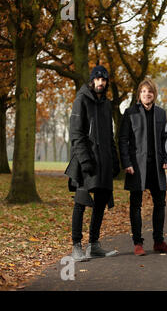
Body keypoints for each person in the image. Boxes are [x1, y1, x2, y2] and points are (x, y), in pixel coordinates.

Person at [65, 65, 120, 261]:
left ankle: (94, 245)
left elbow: (109, 135)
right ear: (92, 81)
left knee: (101, 202)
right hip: (84, 162)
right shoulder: (81, 100)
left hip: (104, 161)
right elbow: (76, 134)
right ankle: (76, 246)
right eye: (97, 79)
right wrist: (85, 160)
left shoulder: (107, 104)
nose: (101, 83)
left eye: (104, 80)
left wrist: (115, 160)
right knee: (80, 203)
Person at [119, 78, 167, 256]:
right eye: (144, 91)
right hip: (137, 167)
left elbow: (165, 138)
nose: (147, 94)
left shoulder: (161, 113)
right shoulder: (130, 112)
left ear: (154, 94)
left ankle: (159, 241)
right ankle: (138, 243)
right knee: (135, 205)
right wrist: (127, 162)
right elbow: (123, 139)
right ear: (139, 94)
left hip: (157, 167)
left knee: (160, 204)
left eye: (150, 92)